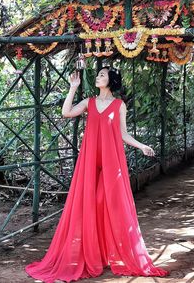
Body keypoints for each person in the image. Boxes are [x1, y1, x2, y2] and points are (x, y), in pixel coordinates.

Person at [25, 66, 169, 283]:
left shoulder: (119, 105)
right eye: (99, 74)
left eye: (102, 75)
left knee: (107, 202)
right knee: (88, 204)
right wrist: (73, 88)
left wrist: (141, 146)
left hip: (112, 161)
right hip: (90, 159)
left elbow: (123, 134)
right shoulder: (89, 102)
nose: (98, 77)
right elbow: (66, 112)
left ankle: (107, 253)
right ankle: (92, 255)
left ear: (111, 80)